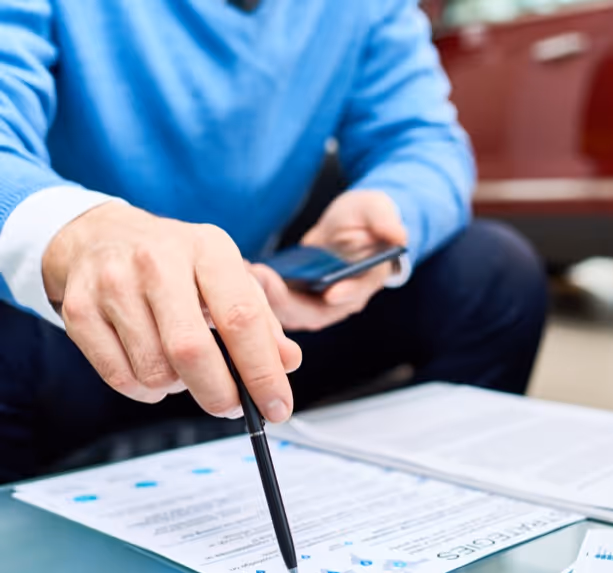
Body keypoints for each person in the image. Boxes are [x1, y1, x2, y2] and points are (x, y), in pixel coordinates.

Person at [0, 1, 548, 482]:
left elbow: (424, 139)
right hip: (71, 336)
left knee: (494, 274)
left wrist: (385, 211)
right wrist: (81, 235)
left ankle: (411, 523)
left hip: (269, 321)